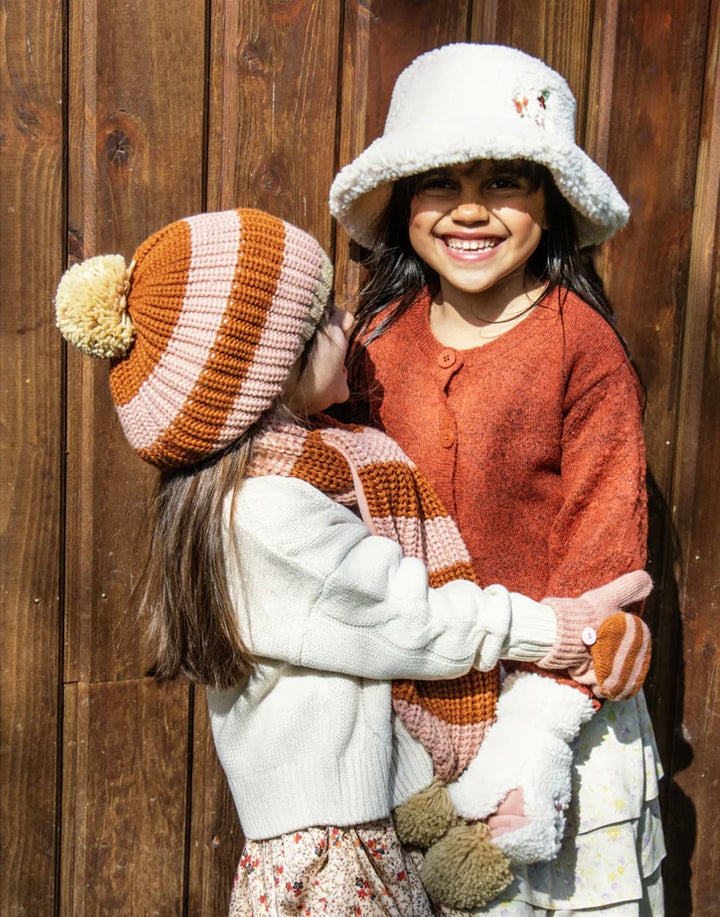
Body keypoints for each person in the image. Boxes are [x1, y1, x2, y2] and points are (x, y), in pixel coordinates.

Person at [55, 206, 652, 917]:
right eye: (324, 318)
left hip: (361, 830)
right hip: (334, 855)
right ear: (274, 372)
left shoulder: (292, 479)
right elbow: (410, 616)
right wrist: (554, 630)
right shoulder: (268, 515)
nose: (348, 324)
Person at [330, 43, 665, 915]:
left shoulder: (581, 348)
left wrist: (540, 727)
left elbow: (603, 555)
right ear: (404, 199)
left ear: (550, 200)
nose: (470, 211)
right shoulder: (372, 345)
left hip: (546, 719)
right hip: (404, 716)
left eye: (506, 181)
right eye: (442, 183)